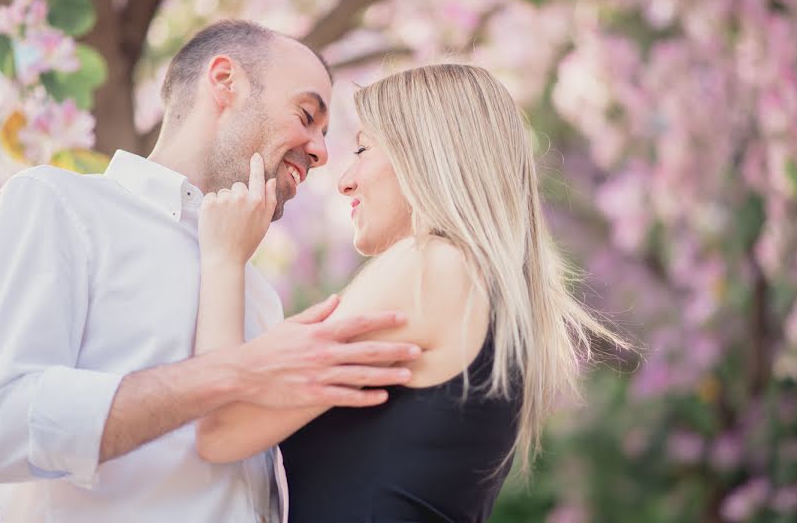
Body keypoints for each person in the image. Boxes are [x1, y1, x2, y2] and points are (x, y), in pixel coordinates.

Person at [0, 20, 421, 523]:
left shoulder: (257, 293)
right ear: (224, 81)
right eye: (306, 115)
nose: (320, 151)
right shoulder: (58, 206)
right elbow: (1, 428)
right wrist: (234, 373)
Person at [191, 64, 630, 522]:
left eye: (363, 148)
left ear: (426, 154)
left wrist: (223, 260)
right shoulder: (487, 288)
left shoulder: (430, 266)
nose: (345, 180)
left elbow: (220, 426)